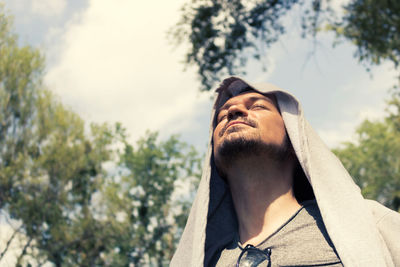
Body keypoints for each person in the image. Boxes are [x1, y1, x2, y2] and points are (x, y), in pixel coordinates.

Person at [170, 77, 400, 267]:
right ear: (215, 161)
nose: (234, 110)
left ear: (294, 141)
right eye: (222, 116)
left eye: (257, 106)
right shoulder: (204, 260)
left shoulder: (371, 224)